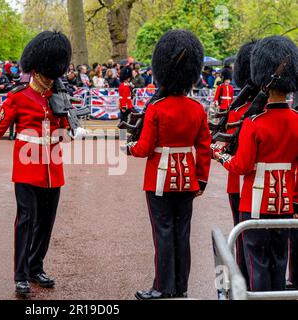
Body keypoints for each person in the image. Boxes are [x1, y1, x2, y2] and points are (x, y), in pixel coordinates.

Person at [0, 31, 86, 296]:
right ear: (36, 70)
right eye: (47, 73)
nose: (50, 78)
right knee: (26, 221)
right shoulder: (18, 97)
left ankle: (36, 267)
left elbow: (65, 121)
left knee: (46, 223)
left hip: (52, 169)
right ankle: (21, 275)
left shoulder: (57, 95)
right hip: (26, 170)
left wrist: (73, 128)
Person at [124, 29, 211, 299]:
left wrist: (130, 149)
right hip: (188, 180)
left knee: (163, 234)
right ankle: (180, 287)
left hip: (160, 180)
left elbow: (146, 147)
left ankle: (162, 287)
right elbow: (204, 148)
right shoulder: (197, 108)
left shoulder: (157, 108)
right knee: (182, 235)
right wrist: (202, 180)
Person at [212, 36, 298, 292]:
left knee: (257, 264)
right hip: (283, 204)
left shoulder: (254, 123)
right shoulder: (296, 120)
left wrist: (220, 155)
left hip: (255, 205)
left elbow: (241, 165)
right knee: (279, 262)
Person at [218, 41, 258, 283]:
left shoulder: (240, 111)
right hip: (276, 188)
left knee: (243, 236)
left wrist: (219, 154)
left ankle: (245, 284)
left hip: (241, 184)